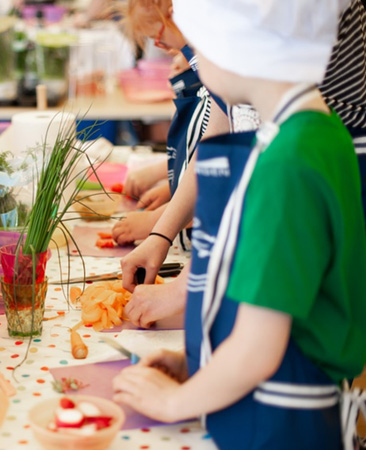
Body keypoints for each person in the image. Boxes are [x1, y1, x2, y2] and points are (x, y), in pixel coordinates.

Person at [112, 1, 366, 449]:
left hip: (276, 428)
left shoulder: (287, 165)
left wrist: (176, 402)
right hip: (289, 399)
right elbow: (296, 315)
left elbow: (258, 350)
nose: (194, 58)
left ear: (238, 46)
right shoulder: (319, 134)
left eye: (201, 43)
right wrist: (201, 363)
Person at [111, 0, 218, 246]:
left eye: (158, 37)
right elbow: (200, 160)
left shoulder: (219, 80)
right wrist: (174, 187)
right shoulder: (208, 74)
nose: (167, 51)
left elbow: (220, 186)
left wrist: (158, 223)